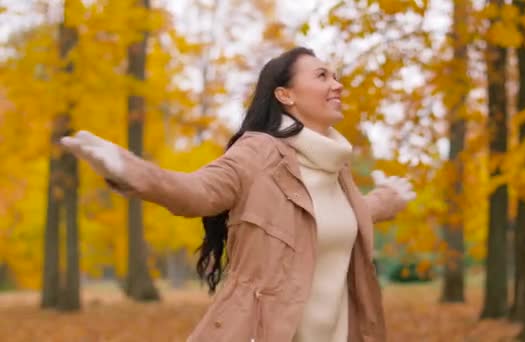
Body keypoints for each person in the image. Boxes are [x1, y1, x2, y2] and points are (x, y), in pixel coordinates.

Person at [60, 47, 414, 342]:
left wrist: (387, 199)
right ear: (285, 95)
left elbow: (327, 218)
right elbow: (197, 192)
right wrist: (128, 168)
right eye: (322, 76)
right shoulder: (258, 153)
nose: (337, 85)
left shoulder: (337, 168)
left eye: (335, 76)